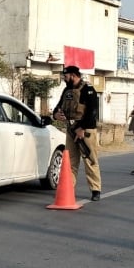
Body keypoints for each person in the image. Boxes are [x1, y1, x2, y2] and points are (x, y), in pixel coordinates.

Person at [53, 65, 102, 201]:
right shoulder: (67, 90)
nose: (64, 78)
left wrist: (82, 128)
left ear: (73, 75)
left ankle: (95, 189)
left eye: (66, 75)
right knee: (70, 161)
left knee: (90, 160)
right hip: (71, 129)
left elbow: (92, 112)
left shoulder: (88, 89)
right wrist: (56, 114)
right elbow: (58, 107)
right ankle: (67, 189)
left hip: (85, 130)